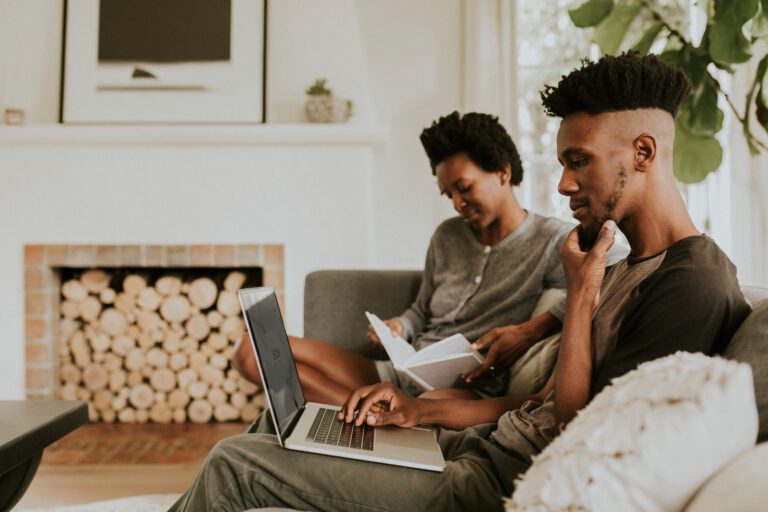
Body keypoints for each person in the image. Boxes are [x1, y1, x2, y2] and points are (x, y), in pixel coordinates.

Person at [170, 52, 751, 512]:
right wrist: (417, 413)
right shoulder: (625, 264)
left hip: (493, 483)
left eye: (579, 162)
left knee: (234, 463)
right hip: (479, 444)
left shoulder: (690, 281)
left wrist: (578, 297)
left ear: (643, 152)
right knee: (276, 426)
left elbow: (582, 433)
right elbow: (540, 405)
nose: (564, 185)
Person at [233, 111, 576, 404]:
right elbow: (421, 310)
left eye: (464, 187)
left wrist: (529, 330)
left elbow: (597, 288)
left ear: (502, 171)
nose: (457, 203)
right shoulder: (447, 236)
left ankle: (378, 413)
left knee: (423, 403)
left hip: (461, 391)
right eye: (449, 194)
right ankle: (374, 413)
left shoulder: (550, 240)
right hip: (401, 370)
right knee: (253, 350)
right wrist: (400, 326)